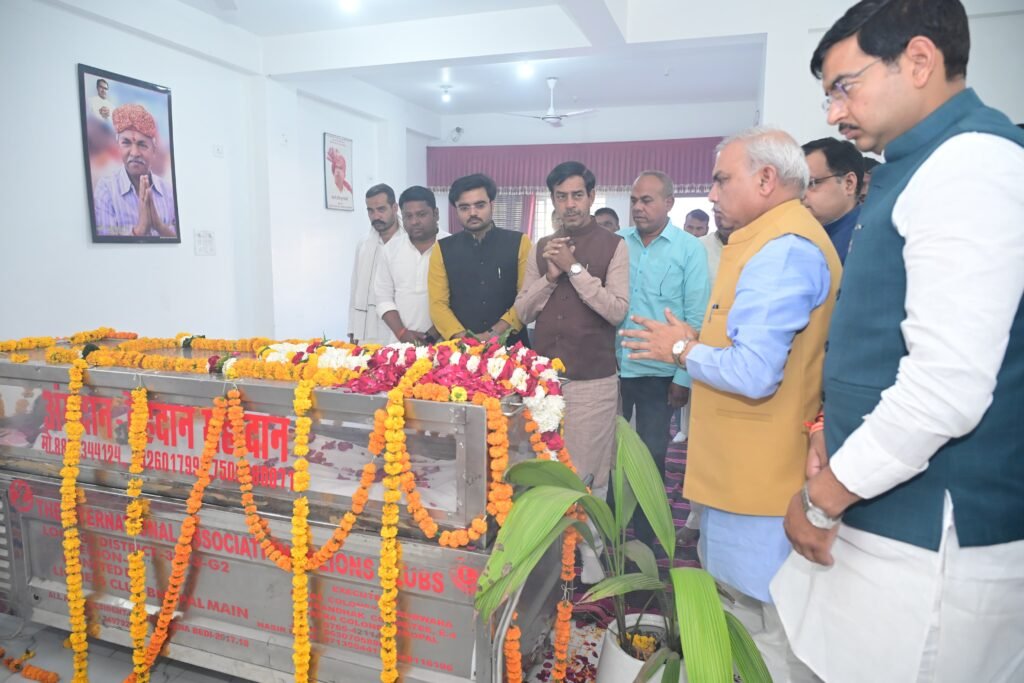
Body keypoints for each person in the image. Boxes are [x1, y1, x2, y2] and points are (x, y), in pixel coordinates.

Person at [770, 2, 1024, 682]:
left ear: (918, 61)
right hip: (882, 500)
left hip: (931, 533)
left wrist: (822, 495)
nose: (834, 113)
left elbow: (945, 387)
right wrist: (831, 428)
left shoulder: (971, 163)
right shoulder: (921, 164)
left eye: (844, 86)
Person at [621, 128, 841, 682]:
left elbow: (755, 372)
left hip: (760, 478)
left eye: (722, 179)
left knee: (766, 630)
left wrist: (681, 350)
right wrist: (695, 341)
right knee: (748, 617)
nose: (712, 194)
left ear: (766, 179)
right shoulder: (768, 240)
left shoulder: (783, 250)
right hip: (744, 468)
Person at [516, 161, 629, 498]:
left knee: (586, 476)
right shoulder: (541, 247)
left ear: (591, 196)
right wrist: (551, 277)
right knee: (543, 468)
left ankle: (589, 534)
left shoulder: (615, 246)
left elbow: (617, 311)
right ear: (553, 199)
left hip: (592, 383)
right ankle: (552, 534)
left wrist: (574, 269)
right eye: (561, 196)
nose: (570, 204)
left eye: (577, 195)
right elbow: (522, 311)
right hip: (543, 383)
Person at [617, 171, 709, 550]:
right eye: (634, 200)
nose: (638, 207)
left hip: (660, 374)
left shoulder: (689, 249)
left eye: (647, 200)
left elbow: (696, 315)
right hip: (614, 368)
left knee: (652, 453)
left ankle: (646, 534)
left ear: (669, 203)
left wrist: (683, 378)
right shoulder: (618, 242)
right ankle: (610, 527)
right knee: (611, 453)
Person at [428, 174, 531, 346]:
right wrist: (465, 339)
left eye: (480, 205)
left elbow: (526, 297)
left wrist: (495, 333)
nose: (473, 213)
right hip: (460, 350)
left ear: (492, 204)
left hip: (513, 346)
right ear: (456, 210)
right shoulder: (442, 249)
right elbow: (438, 304)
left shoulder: (520, 243)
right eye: (464, 208)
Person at [374, 186, 449, 345]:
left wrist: (431, 335)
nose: (414, 222)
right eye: (408, 216)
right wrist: (402, 333)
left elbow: (460, 300)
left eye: (421, 214)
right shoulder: (390, 249)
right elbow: (383, 298)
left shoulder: (453, 247)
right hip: (400, 344)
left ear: (436, 214)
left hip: (445, 343)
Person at [92, 104, 177, 238]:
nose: (134, 153)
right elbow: (104, 242)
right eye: (126, 143)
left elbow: (179, 239)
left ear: (154, 149)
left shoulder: (168, 191)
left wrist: (159, 226)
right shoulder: (106, 189)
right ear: (118, 145)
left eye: (142, 144)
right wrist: (141, 229)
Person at [349, 184, 400, 344]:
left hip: (401, 326)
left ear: (395, 208)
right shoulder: (364, 244)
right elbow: (355, 287)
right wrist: (352, 330)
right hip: (368, 329)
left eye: (381, 209)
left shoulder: (409, 241)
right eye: (370, 211)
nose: (375, 216)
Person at [801, 137, 864, 263]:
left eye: (811, 183)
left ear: (849, 184)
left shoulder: (865, 241)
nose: (800, 195)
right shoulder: (799, 232)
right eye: (797, 186)